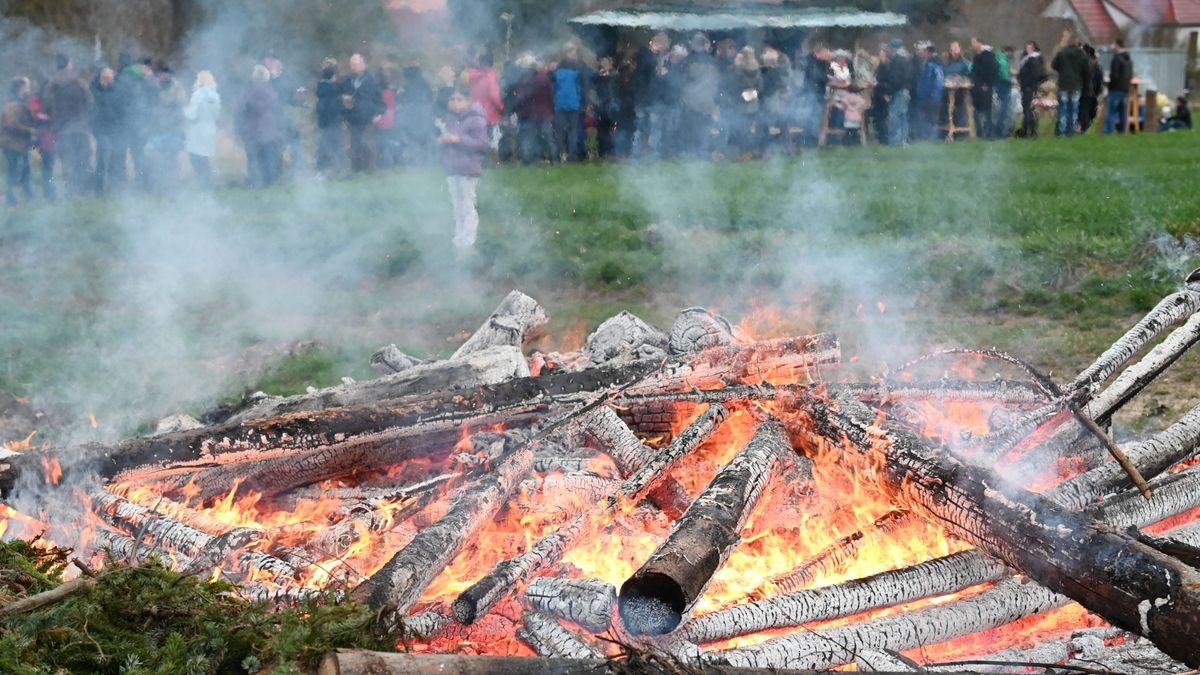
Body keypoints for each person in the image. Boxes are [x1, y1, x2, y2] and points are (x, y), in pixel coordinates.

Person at [439, 87, 490, 253]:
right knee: (456, 205)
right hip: (452, 167)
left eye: (459, 99)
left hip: (469, 168)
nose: (455, 102)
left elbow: (481, 144)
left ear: (468, 101)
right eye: (452, 99)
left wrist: (457, 139)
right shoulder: (450, 118)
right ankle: (458, 238)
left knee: (467, 205)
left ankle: (468, 241)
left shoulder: (477, 119)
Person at [43, 54, 92, 196]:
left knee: (66, 162)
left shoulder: (50, 85)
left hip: (61, 130)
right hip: (80, 128)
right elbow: (90, 103)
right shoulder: (80, 83)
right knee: (82, 160)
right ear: (69, 64)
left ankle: (69, 192)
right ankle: (81, 191)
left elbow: (46, 107)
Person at [236, 64, 283, 187]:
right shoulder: (273, 94)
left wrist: (240, 130)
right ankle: (270, 183)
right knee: (269, 160)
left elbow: (239, 112)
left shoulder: (247, 94)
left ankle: (255, 183)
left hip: (251, 133)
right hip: (269, 133)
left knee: (253, 161)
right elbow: (277, 113)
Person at [264, 52, 306, 177]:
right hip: (271, 118)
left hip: (287, 117)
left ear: (277, 62)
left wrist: (301, 102)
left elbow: (291, 97)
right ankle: (276, 173)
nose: (269, 63)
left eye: (271, 60)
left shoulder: (286, 77)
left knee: (295, 142)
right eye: (267, 61)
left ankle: (297, 172)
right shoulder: (265, 79)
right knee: (275, 146)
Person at [341, 53, 384, 172]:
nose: (353, 67)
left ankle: (369, 169)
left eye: (355, 64)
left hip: (367, 117)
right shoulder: (347, 79)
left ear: (363, 64)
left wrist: (379, 114)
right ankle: (355, 169)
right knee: (354, 144)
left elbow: (379, 100)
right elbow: (340, 94)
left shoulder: (372, 80)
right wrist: (344, 99)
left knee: (367, 143)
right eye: (351, 64)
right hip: (351, 117)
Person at [148, 64, 186, 192]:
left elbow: (181, 106)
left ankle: (173, 185)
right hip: (159, 128)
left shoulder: (177, 87)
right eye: (158, 74)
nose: (160, 77)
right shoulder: (154, 87)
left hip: (174, 128)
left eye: (163, 74)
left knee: (171, 156)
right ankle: (162, 184)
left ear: (168, 74)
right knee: (158, 156)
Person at [633, 32, 671, 157]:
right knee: (649, 127)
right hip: (649, 98)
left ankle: (641, 152)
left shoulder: (646, 56)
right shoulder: (647, 57)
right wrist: (660, 73)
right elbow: (647, 78)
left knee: (645, 127)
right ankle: (645, 153)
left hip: (648, 98)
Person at [183, 70, 220, 189]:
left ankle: (202, 184)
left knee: (196, 157)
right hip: (210, 130)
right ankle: (207, 183)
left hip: (197, 131)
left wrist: (184, 110)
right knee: (205, 158)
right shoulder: (216, 96)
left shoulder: (197, 94)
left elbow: (192, 115)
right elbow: (217, 115)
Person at [2, 77, 35, 206]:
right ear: (21, 87)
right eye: (27, 86)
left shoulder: (20, 103)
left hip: (20, 144)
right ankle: (10, 201)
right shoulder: (12, 104)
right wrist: (29, 130)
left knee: (25, 172)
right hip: (12, 144)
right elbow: (11, 124)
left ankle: (29, 199)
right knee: (13, 173)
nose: (29, 88)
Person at [396, 64, 437, 165]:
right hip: (424, 115)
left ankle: (418, 161)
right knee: (424, 139)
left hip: (415, 116)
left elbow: (407, 99)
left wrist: (399, 95)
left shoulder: (410, 84)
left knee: (415, 138)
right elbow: (430, 97)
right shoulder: (424, 83)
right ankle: (426, 161)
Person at [552, 46, 587, 162]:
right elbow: (583, 87)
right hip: (574, 104)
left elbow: (553, 88)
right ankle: (572, 157)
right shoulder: (577, 71)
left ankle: (557, 157)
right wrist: (583, 102)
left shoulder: (556, 72)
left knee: (559, 132)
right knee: (573, 131)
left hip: (560, 104)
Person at [1051, 31, 1089, 137]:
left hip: (1063, 84)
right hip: (1076, 85)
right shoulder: (1082, 54)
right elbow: (1087, 70)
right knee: (1074, 109)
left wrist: (1063, 69)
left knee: (1063, 108)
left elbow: (1054, 66)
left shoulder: (1062, 53)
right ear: (1077, 42)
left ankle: (1062, 131)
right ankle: (1071, 132)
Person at [91, 66, 123, 193]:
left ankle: (112, 188)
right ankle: (99, 189)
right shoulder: (94, 89)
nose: (109, 79)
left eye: (111, 77)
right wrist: (103, 89)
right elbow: (95, 105)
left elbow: (121, 108)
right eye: (106, 77)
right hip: (101, 129)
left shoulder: (116, 89)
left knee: (115, 160)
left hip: (114, 129)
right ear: (101, 77)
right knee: (103, 159)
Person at [729, 47, 762, 160]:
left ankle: (743, 153)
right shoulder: (757, 68)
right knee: (748, 130)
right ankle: (749, 152)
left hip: (741, 104)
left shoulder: (739, 69)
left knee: (741, 130)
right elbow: (760, 86)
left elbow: (734, 85)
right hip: (753, 104)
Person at [467, 52, 503, 152]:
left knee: (477, 139)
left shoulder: (471, 75)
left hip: (474, 112)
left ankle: (477, 159)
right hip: (489, 114)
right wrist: (501, 108)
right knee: (490, 140)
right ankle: (488, 161)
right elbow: (494, 95)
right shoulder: (490, 76)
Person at [314, 58, 344, 175]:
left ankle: (324, 169)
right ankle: (332, 170)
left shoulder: (321, 88)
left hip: (324, 122)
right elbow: (335, 108)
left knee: (325, 145)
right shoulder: (333, 91)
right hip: (332, 122)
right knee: (332, 146)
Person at [882, 38, 913, 145]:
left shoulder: (897, 59)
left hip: (899, 92)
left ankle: (895, 142)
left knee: (894, 117)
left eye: (890, 47)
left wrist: (889, 92)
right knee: (903, 117)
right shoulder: (907, 58)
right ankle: (904, 141)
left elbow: (895, 79)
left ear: (893, 48)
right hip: (906, 91)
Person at [25, 92, 55, 201]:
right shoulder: (41, 116)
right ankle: (49, 193)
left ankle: (49, 193)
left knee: (48, 170)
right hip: (46, 146)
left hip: (47, 145)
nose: (32, 111)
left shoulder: (42, 116)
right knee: (48, 170)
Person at [969, 37, 999, 139]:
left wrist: (987, 83)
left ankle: (989, 133)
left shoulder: (988, 55)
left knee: (986, 111)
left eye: (973, 42)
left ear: (979, 43)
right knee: (977, 111)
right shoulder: (977, 55)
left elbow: (992, 71)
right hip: (976, 87)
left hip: (985, 87)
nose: (972, 45)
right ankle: (980, 132)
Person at [914, 43, 944, 140]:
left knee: (931, 118)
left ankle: (932, 138)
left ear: (929, 52)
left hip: (931, 97)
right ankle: (926, 137)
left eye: (924, 51)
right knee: (927, 118)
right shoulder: (927, 64)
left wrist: (932, 94)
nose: (922, 53)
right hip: (926, 96)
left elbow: (936, 81)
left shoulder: (933, 64)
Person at [1017, 42, 1046, 138]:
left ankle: (1030, 131)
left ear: (1033, 48)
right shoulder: (1032, 59)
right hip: (1029, 87)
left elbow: (1035, 74)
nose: (1027, 49)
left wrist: (1027, 83)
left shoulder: (1032, 59)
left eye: (1029, 47)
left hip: (1029, 87)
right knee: (1029, 109)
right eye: (1026, 47)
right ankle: (1027, 130)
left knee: (1028, 110)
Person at [1104, 39, 1133, 134]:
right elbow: (1130, 75)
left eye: (1113, 45)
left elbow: (1115, 75)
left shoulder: (1116, 58)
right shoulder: (1129, 59)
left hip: (1115, 89)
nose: (1112, 47)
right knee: (1123, 113)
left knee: (1111, 112)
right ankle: (1122, 132)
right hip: (1125, 89)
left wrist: (1109, 85)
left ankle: (1109, 132)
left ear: (1117, 45)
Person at [1079, 44, 1103, 133]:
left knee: (1087, 110)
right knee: (1086, 110)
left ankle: (1083, 127)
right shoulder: (1092, 63)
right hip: (1090, 91)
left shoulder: (1090, 64)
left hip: (1088, 91)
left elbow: (1097, 79)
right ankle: (1083, 127)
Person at [994, 46, 1014, 138]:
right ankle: (1000, 130)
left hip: (997, 85)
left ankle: (999, 129)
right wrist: (1010, 81)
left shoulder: (997, 58)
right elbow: (1004, 74)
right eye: (1011, 53)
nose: (1011, 55)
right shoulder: (1003, 60)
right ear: (1006, 52)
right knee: (1004, 109)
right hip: (1003, 85)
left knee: (999, 109)